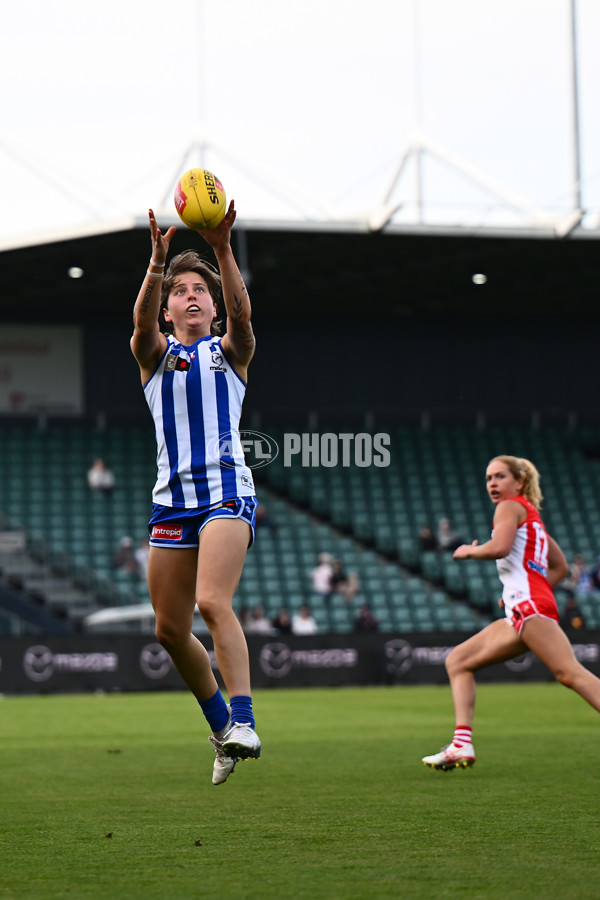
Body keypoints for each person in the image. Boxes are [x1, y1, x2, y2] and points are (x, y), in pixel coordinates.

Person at [130, 203, 260, 786]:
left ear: (212, 305)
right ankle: (221, 732)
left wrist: (224, 250)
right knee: (168, 629)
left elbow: (244, 318)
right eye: (179, 290)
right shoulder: (156, 357)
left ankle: (245, 720)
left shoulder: (228, 353)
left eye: (199, 290)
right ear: (167, 308)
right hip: (172, 500)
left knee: (213, 601)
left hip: (227, 491)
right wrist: (157, 262)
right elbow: (137, 328)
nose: (190, 296)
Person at [422, 455, 600, 771]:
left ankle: (462, 744)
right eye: (489, 478)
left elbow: (499, 548)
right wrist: (525, 591)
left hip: (529, 608)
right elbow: (559, 567)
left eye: (500, 477)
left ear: (519, 482)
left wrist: (468, 551)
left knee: (569, 674)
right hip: (523, 609)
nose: (492, 483)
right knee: (458, 660)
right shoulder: (533, 519)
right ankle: (461, 744)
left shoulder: (509, 507)